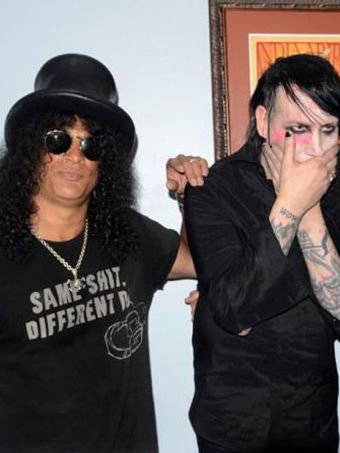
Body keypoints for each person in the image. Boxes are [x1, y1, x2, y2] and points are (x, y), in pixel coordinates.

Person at [0, 53, 199, 452]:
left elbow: (196, 261)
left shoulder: (128, 235)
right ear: (31, 149)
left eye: (90, 146)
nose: (75, 156)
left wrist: (188, 197)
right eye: (58, 140)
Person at [182, 54, 340, 452]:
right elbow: (235, 309)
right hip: (229, 427)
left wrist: (309, 210)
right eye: (297, 129)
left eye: (328, 130)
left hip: (312, 425)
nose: (315, 148)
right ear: (262, 121)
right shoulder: (213, 188)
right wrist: (290, 201)